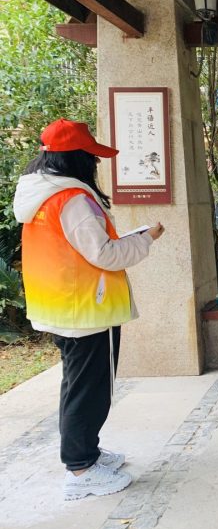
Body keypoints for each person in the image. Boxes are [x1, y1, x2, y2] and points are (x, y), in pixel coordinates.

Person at [13, 118, 165, 501]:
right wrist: (146, 239)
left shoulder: (41, 195)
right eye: (91, 156)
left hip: (63, 306)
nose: (96, 163)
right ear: (75, 158)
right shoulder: (72, 199)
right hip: (85, 309)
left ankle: (87, 453)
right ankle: (80, 468)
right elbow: (106, 255)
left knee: (78, 385)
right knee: (88, 390)